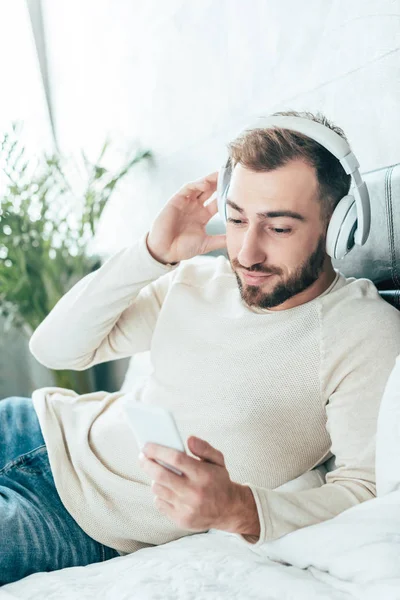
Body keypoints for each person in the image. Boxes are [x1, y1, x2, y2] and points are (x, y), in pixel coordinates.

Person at [1, 110, 400, 586]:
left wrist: (240, 509)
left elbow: (365, 491)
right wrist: (152, 251)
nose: (247, 253)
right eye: (236, 220)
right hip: (31, 427)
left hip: (75, 518)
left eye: (279, 228)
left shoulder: (363, 331)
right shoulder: (197, 278)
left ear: (340, 226)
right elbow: (55, 349)